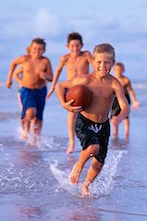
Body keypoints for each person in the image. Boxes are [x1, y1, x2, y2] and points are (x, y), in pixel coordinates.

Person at [56, 43, 130, 196]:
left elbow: (125, 106)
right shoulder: (85, 80)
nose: (102, 65)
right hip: (85, 122)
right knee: (92, 148)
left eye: (107, 62)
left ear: (113, 64)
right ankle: (78, 165)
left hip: (104, 125)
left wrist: (119, 117)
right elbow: (61, 86)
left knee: (98, 164)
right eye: (99, 62)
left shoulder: (114, 83)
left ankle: (86, 185)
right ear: (93, 62)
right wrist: (64, 105)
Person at [47, 32, 92, 154]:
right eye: (72, 46)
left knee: (87, 114)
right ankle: (72, 141)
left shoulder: (86, 55)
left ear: (82, 45)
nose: (75, 48)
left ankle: (88, 140)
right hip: (71, 89)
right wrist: (52, 87)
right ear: (68, 46)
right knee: (72, 114)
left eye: (77, 45)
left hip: (84, 87)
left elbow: (95, 67)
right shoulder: (65, 58)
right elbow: (58, 71)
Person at [6, 38, 53, 142]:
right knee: (31, 112)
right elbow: (13, 63)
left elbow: (51, 77)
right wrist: (9, 79)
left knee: (38, 117)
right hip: (27, 90)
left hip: (41, 91)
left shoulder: (45, 61)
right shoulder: (24, 59)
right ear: (30, 48)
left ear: (44, 50)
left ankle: (36, 139)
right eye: (35, 48)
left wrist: (45, 76)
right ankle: (25, 132)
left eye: (40, 49)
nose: (37, 51)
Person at [111, 62, 140, 139]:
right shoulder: (112, 79)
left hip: (125, 98)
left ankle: (127, 131)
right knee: (114, 114)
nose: (118, 71)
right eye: (116, 70)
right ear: (114, 70)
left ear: (123, 70)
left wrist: (135, 101)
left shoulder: (126, 80)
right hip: (115, 99)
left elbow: (131, 90)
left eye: (120, 70)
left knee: (126, 115)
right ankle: (115, 131)